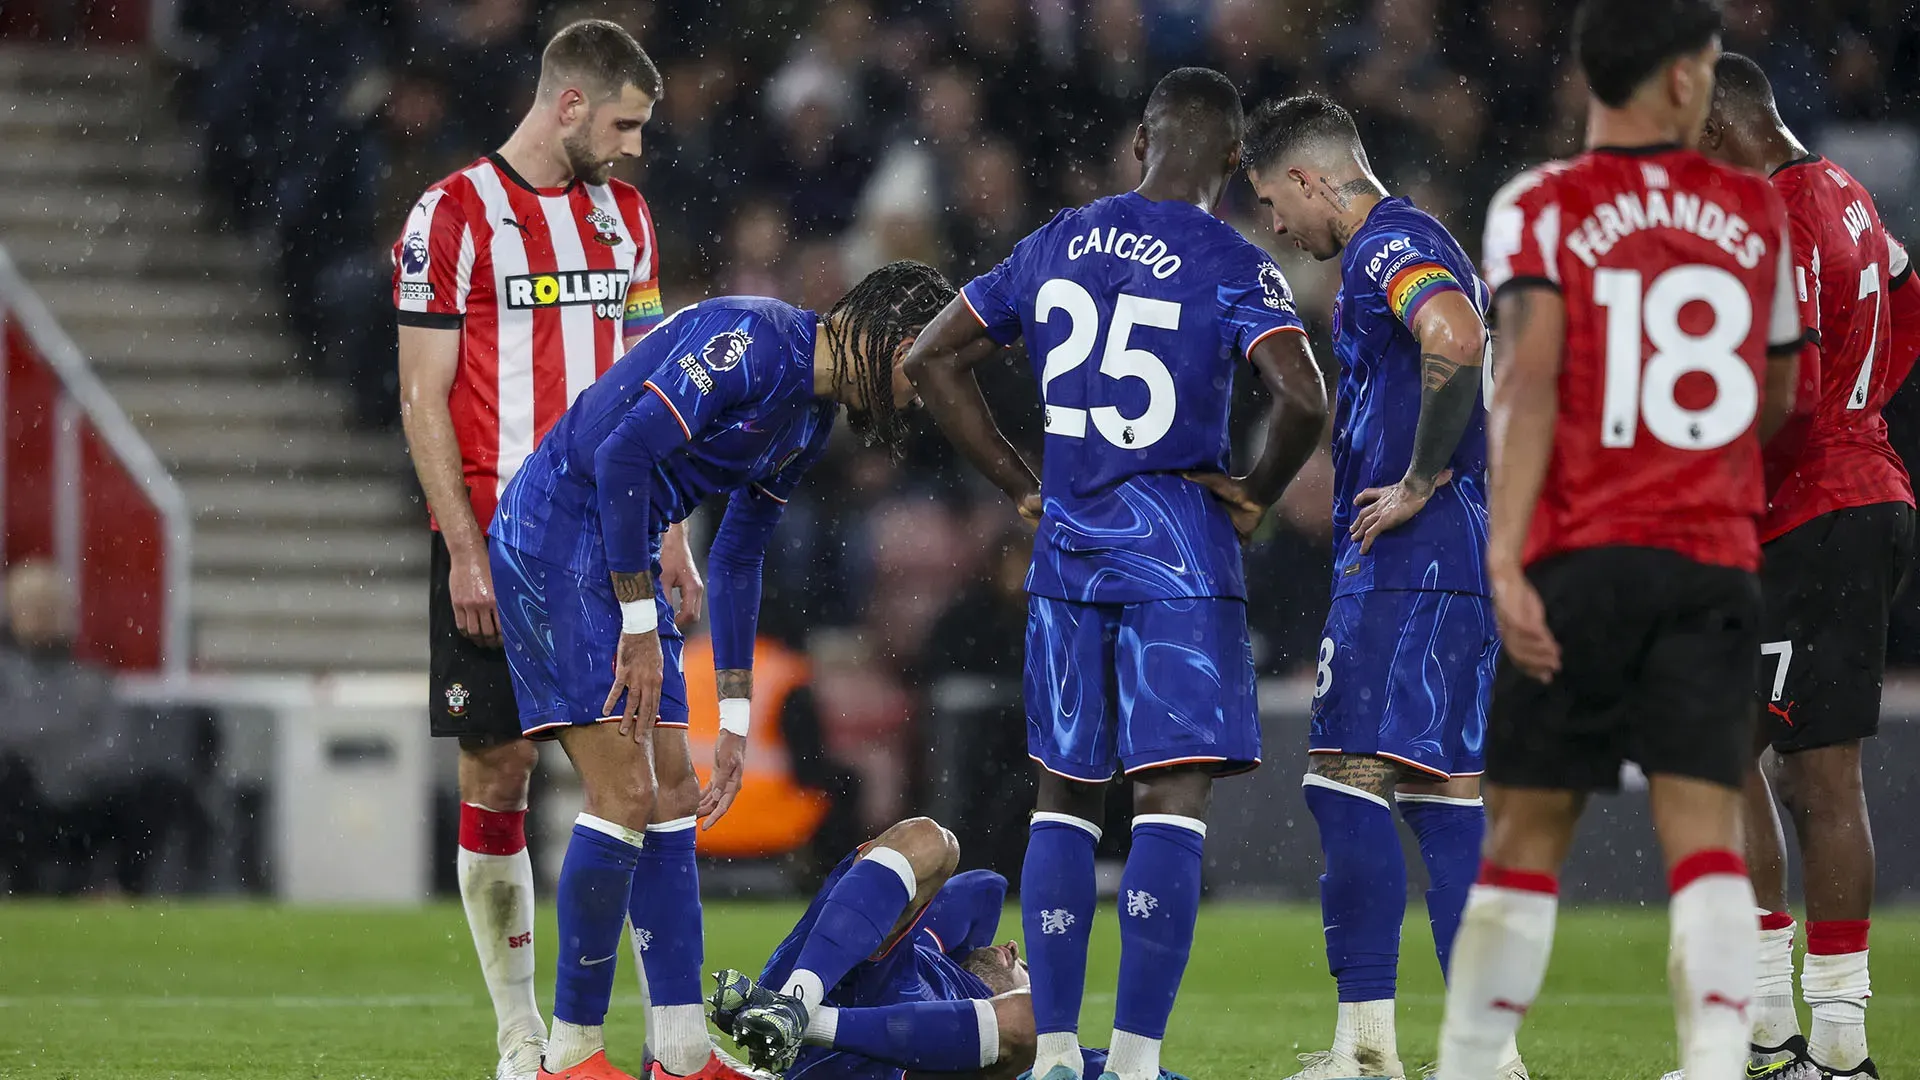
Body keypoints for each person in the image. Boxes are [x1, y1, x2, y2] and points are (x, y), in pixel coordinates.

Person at [897, 67, 1330, 1080]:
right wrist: (1259, 488)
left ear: (1142, 145)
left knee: (1064, 796)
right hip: (1180, 553)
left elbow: (927, 357)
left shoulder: (1058, 239)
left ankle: (1050, 1053)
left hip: (1069, 557)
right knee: (1168, 806)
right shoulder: (1231, 258)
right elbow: (1303, 397)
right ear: (1233, 161)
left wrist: (1019, 482)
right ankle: (1133, 1060)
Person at [1436, 2, 1807, 1078]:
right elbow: (1778, 385)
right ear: (1687, 80)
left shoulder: (1537, 205)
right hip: (1710, 556)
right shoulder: (1755, 211)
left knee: (1522, 844)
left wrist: (1504, 555)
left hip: (1578, 558)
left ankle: (1470, 1063)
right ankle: (1715, 1059)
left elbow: (1531, 381)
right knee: (1705, 840)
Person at [487, 260, 956, 1080]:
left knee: (672, 795)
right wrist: (639, 620)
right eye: (924, 375)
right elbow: (623, 456)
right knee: (625, 794)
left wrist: (733, 720)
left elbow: (738, 555)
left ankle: (679, 1052)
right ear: (902, 347)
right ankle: (569, 1056)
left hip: (618, 548)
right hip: (558, 534)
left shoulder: (809, 420)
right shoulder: (754, 342)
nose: (919, 398)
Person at [393, 21, 702, 1080]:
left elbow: (655, 383)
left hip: (606, 542)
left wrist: (670, 529)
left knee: (651, 775)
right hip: (496, 538)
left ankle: (654, 1037)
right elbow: (422, 396)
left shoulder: (629, 221)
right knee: (499, 766)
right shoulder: (453, 216)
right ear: (569, 104)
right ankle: (524, 1035)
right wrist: (463, 551)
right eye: (623, 124)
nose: (634, 149)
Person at [1240, 93, 1519, 1080]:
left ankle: (1367, 1050)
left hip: (1411, 557)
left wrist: (1417, 479)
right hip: (1455, 554)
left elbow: (1452, 334)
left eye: (1275, 200)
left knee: (1343, 781)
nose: (1277, 226)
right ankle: (1487, 1054)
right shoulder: (1407, 239)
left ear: (1313, 178)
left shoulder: (1386, 245)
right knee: (1444, 793)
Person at [1689, 52, 1920, 1080]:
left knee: (1817, 779)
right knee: (1735, 753)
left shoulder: (1776, 215)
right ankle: (1776, 1028)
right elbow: (1908, 296)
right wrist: (1861, 411)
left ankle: (1828, 1044)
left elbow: (1785, 392)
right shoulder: (1846, 192)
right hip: (1857, 496)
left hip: (1809, 516)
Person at [705, 817, 1192, 1080]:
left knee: (1039, 1023)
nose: (1012, 949)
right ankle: (793, 1001)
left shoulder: (1039, 1047)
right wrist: (974, 960)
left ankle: (795, 1019)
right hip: (834, 972)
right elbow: (986, 886)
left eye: (1023, 964)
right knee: (930, 840)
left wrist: (1000, 990)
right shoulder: (930, 950)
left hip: (901, 1062)